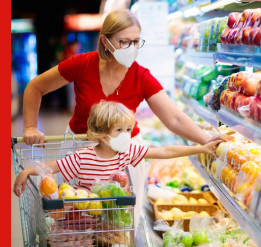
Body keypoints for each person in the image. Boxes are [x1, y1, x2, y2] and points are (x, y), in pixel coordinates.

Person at [21, 8, 225, 227]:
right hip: (80, 151)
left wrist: (205, 140)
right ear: (105, 42)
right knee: (75, 218)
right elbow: (35, 87)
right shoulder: (82, 64)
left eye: (137, 42)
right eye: (124, 42)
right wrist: (30, 127)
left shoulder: (141, 76)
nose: (132, 49)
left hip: (123, 155)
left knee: (119, 224)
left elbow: (174, 118)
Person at [14, 100, 221, 198]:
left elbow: (165, 151)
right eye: (119, 130)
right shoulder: (82, 157)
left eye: (129, 130)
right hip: (86, 219)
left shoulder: (127, 152)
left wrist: (201, 148)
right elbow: (53, 167)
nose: (126, 135)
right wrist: (26, 171)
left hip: (115, 220)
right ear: (102, 135)